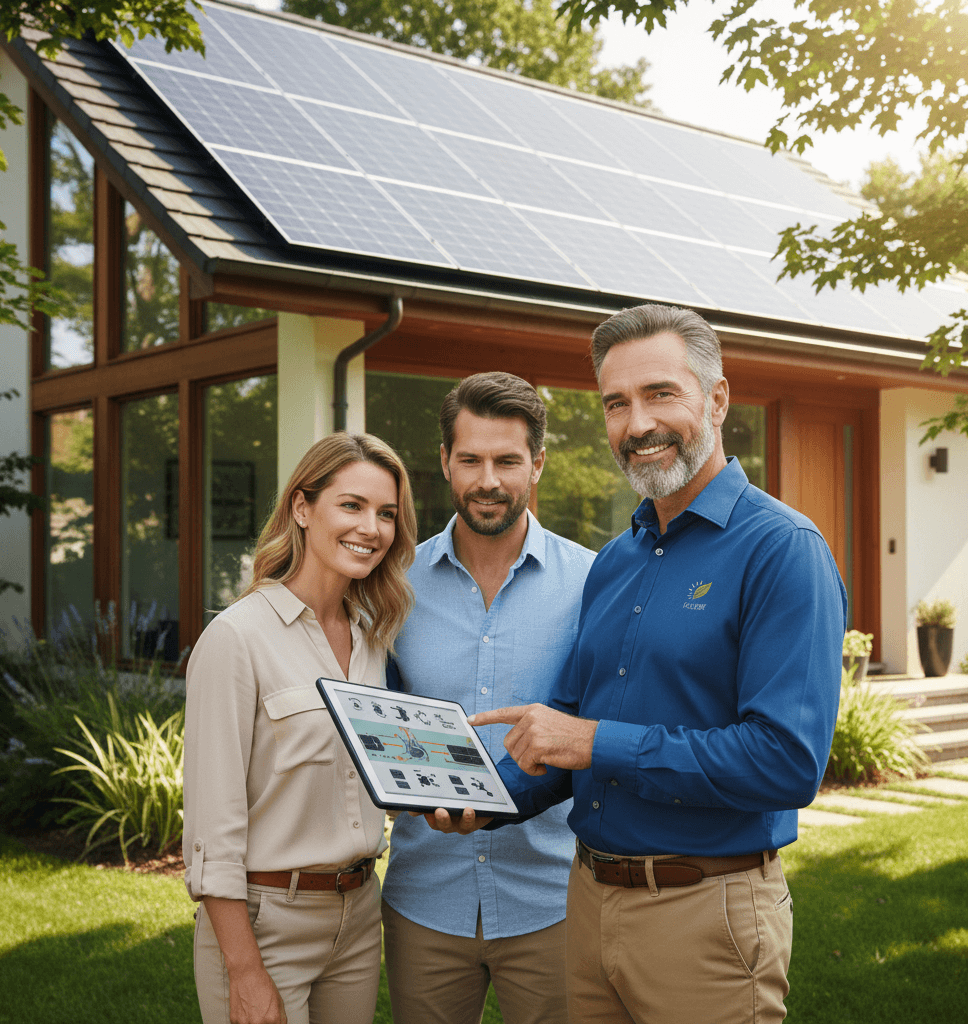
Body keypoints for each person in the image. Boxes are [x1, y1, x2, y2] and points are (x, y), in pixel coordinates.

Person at [425, 306, 846, 1024]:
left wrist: (592, 742)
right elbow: (565, 734)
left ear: (716, 400)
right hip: (588, 905)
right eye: (616, 403)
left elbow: (785, 762)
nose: (636, 423)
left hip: (706, 913)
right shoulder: (616, 560)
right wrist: (484, 804)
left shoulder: (782, 549)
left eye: (660, 394)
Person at [382, 372, 595, 1024]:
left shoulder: (592, 581)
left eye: (506, 460)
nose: (488, 480)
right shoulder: (394, 585)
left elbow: (597, 726)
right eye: (470, 459)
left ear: (538, 464)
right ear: (444, 460)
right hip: (424, 898)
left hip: (552, 900)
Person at [183, 432, 417, 1024]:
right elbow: (212, 830)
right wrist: (243, 969)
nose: (372, 527)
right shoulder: (237, 638)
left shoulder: (372, 637)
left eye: (387, 513)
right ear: (302, 508)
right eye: (352, 505)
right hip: (266, 923)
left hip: (360, 916)